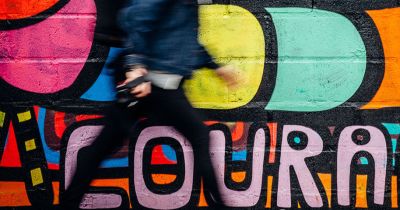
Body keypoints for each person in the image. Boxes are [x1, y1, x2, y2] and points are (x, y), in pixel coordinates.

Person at [60, 0, 238, 209]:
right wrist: (134, 65)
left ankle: (68, 203)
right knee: (199, 135)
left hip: (157, 83)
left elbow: (182, 40)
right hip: (151, 82)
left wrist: (215, 67)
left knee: (104, 145)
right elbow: (136, 16)